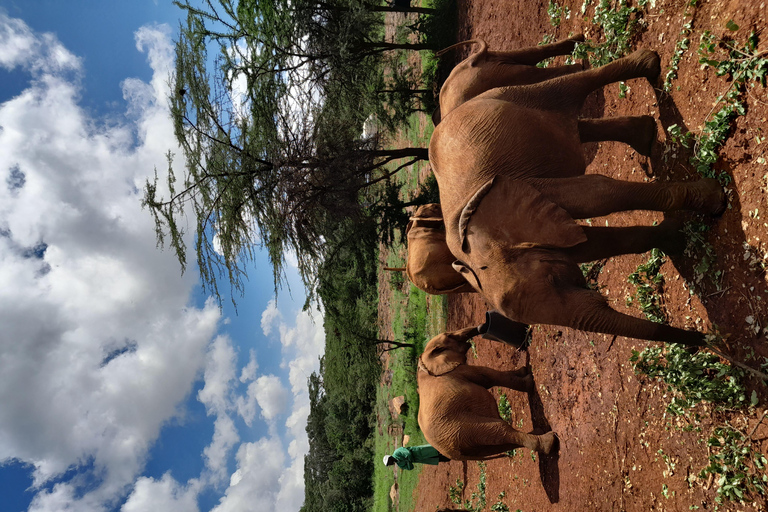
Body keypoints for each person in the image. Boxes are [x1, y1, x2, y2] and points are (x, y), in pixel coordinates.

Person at [382, 444, 450, 470]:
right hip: (421, 459)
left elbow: (408, 453)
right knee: (441, 459)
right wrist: (408, 461)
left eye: (389, 462)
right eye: (388, 464)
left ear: (390, 458)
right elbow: (410, 468)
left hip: (420, 452)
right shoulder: (400, 464)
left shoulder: (397, 452)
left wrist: (408, 461)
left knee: (439, 449)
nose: (390, 464)